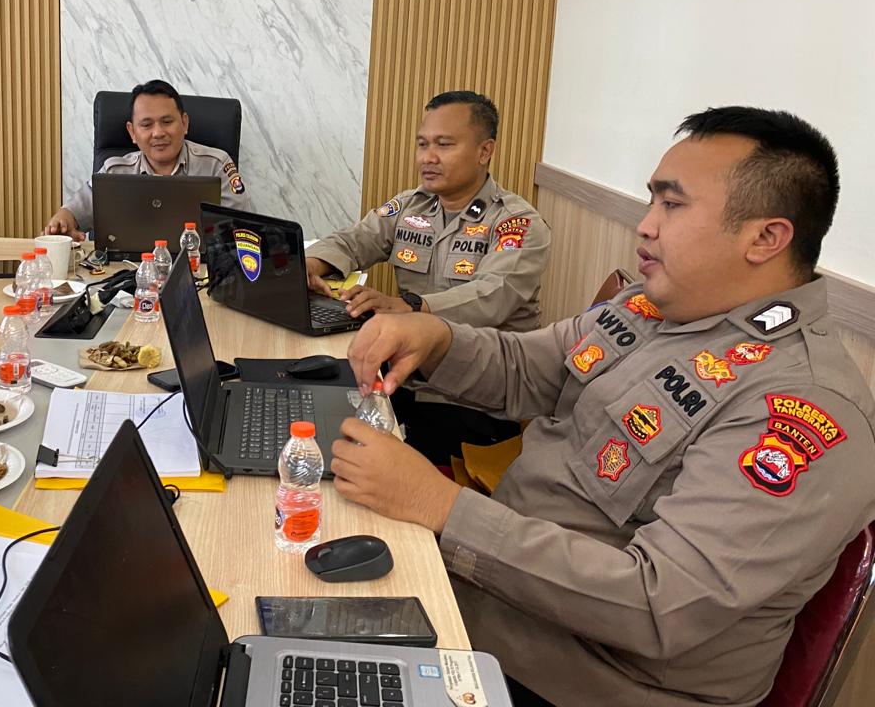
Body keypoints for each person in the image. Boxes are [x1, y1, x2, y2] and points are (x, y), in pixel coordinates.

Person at [331, 106, 875, 706]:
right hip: (494, 598)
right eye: (652, 201)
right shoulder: (653, 306)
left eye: (672, 205)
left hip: (577, 678)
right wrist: (436, 339)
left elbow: (658, 604)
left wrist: (441, 507)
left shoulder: (802, 407)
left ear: (766, 238)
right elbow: (528, 368)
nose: (645, 226)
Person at [306, 91, 550, 330]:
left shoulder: (517, 222)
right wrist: (310, 266)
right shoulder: (411, 206)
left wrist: (409, 306)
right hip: (417, 347)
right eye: (422, 145)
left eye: (443, 145)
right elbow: (353, 241)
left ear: (484, 151)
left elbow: (492, 295)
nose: (427, 158)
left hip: (491, 354)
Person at [45, 79, 250, 239]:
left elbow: (240, 228)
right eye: (146, 125)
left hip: (200, 270)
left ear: (184, 123)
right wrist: (63, 221)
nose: (158, 133)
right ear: (132, 132)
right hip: (127, 273)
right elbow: (74, 212)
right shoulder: (115, 172)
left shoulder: (216, 165)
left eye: (167, 121)